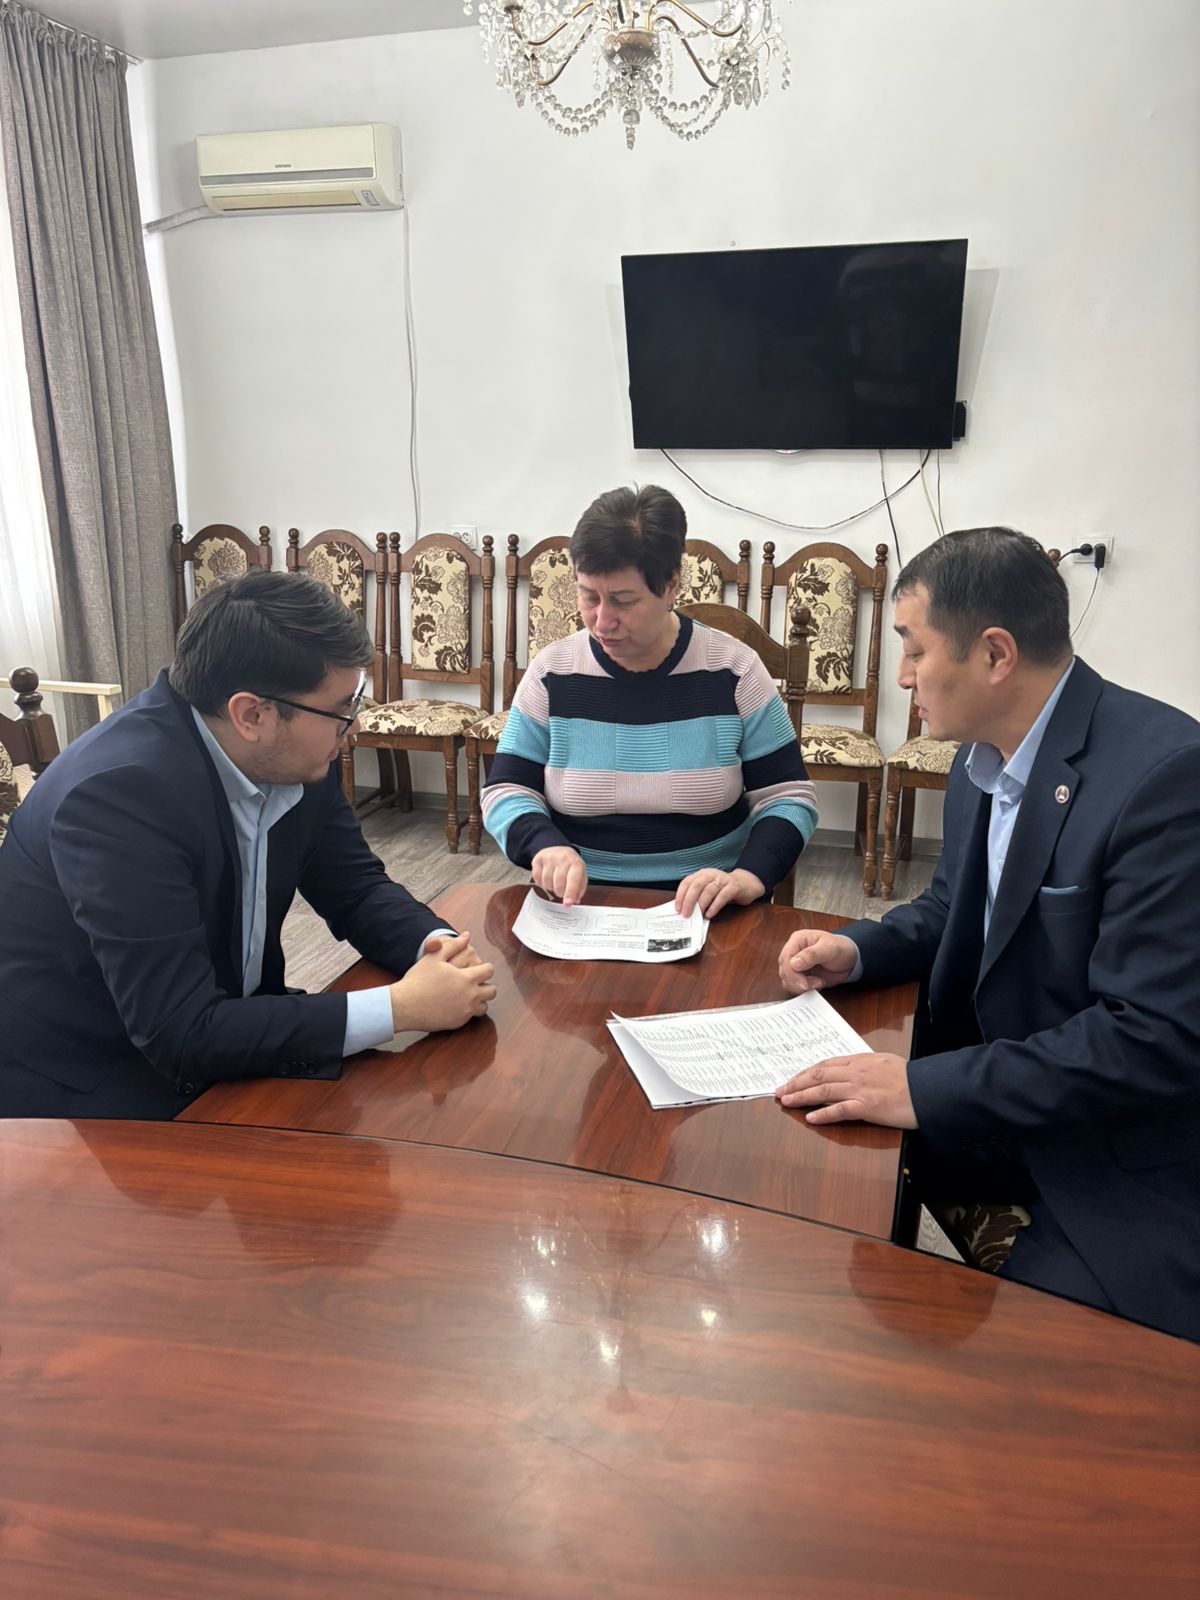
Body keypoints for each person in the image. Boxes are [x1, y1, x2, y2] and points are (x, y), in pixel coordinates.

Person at [773, 526, 1200, 1342]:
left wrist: (925, 1089)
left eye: (914, 649)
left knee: (1032, 1369)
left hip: (1116, 1147)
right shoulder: (981, 761)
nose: (902, 676)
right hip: (1012, 1099)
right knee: (813, 1191)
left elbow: (1150, 1039)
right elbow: (952, 910)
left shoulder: (1165, 779)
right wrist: (858, 949)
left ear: (996, 654)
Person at [0, 570, 496, 1120]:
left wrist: (436, 947)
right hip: (98, 1087)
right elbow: (180, 1033)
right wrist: (398, 1008)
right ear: (252, 714)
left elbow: (355, 888)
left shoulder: (292, 751)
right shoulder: (118, 798)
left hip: (228, 1030)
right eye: (343, 710)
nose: (353, 728)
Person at [482, 484, 818, 916]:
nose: (602, 621)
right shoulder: (553, 673)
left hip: (707, 909)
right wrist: (543, 845)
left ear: (671, 585)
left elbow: (789, 796)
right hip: (582, 905)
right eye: (589, 596)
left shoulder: (733, 671)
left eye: (623, 601)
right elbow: (506, 789)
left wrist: (747, 877)